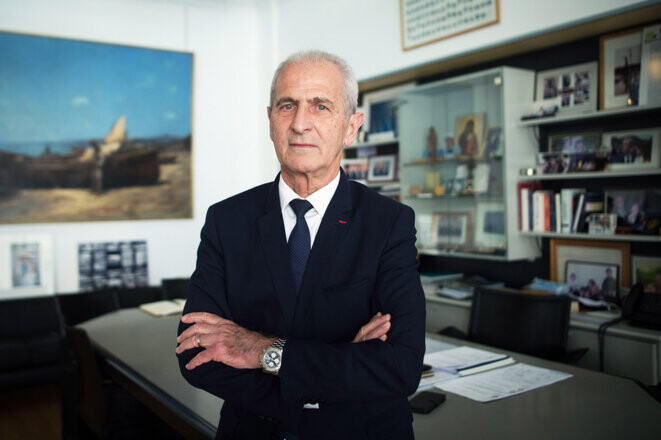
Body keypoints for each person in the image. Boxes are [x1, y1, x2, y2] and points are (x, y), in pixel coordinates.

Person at [175, 50, 426, 440]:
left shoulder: (388, 223)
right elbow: (197, 354)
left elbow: (399, 367)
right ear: (270, 121)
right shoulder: (227, 221)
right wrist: (337, 373)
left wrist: (261, 350)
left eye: (320, 106)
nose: (300, 123)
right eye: (287, 106)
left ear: (351, 127)